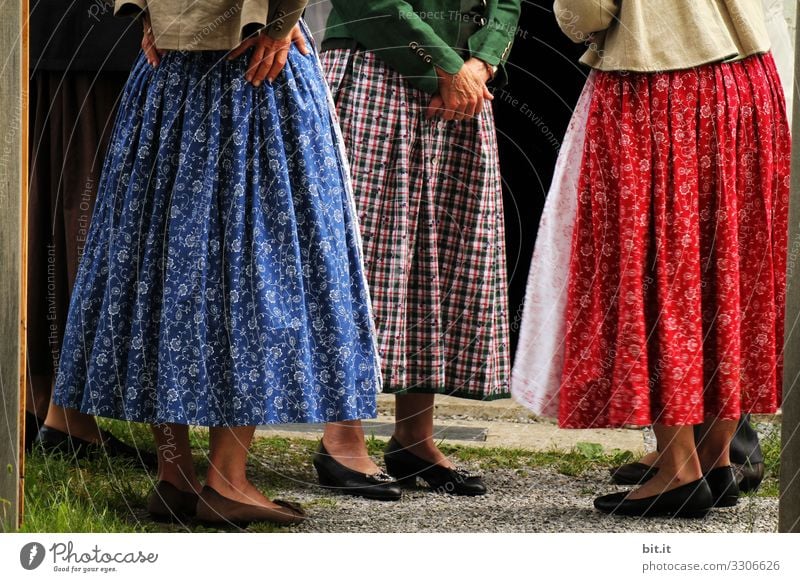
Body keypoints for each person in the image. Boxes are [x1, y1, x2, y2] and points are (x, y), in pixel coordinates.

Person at [52, 0, 382, 526]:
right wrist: (281, 24)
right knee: (250, 261)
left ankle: (174, 476)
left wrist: (147, 14)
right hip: (253, 67)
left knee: (163, 261)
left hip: (168, 67)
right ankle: (227, 481)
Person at [512, 0, 789, 518]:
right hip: (750, 82)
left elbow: (589, 10)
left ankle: (676, 470)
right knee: (725, 269)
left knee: (660, 269)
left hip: (661, 88)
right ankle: (716, 458)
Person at [310, 0, 521, 500]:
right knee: (367, 254)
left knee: (439, 257)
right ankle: (341, 436)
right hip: (376, 71)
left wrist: (480, 62)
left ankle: (413, 438)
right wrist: (444, 66)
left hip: (464, 89)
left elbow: (506, 3)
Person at [26, 0, 155, 466]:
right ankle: (66, 413)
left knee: (46, 201)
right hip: (99, 40)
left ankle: (39, 400)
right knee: (88, 207)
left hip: (45, 33)